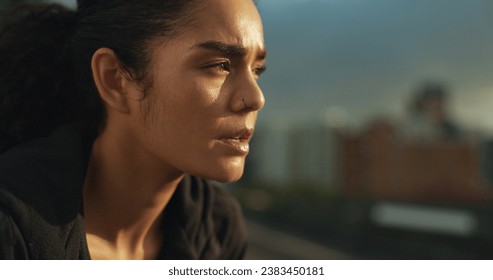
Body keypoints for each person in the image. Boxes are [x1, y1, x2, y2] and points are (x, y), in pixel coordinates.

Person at [0, 0, 266, 260]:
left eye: (257, 70)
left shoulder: (217, 230)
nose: (255, 99)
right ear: (115, 79)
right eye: (220, 65)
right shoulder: (13, 225)